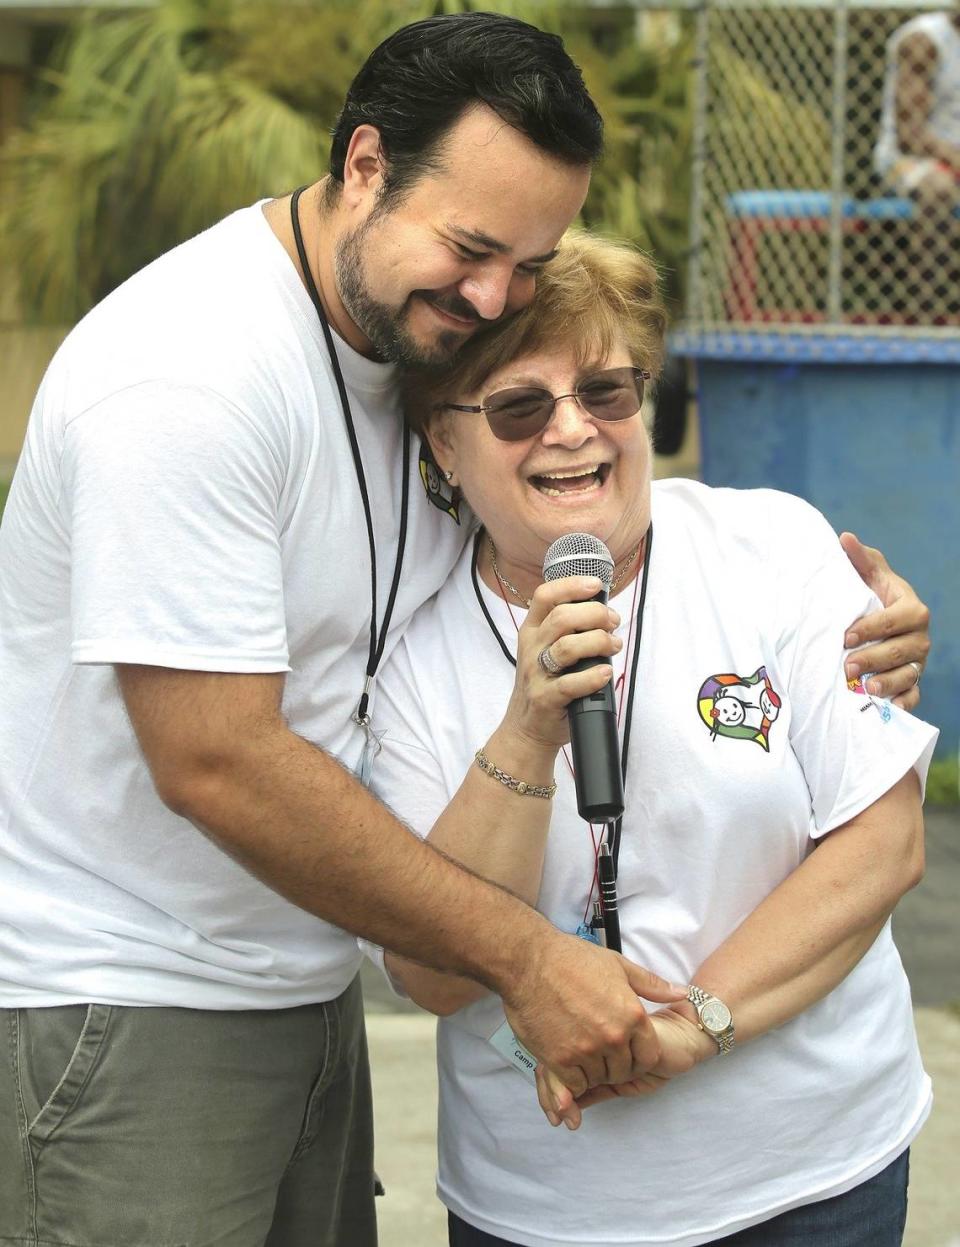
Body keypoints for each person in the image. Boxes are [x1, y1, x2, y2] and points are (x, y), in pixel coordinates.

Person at [0, 11, 929, 1246]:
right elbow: (214, 755)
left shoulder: (402, 337)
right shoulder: (188, 379)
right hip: (140, 995)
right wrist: (533, 957)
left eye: (529, 262)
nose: (493, 295)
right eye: (473, 246)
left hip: (298, 982)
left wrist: (851, 620)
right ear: (368, 165)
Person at [371, 231, 939, 1247]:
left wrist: (695, 1024)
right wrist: (528, 727)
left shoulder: (774, 547)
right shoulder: (411, 650)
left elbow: (883, 842)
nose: (573, 430)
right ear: (443, 442)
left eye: (607, 391)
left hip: (815, 1180)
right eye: (518, 405)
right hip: (544, 1207)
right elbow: (433, 972)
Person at [874, 6, 960, 311]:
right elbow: (909, 136)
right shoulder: (925, 41)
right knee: (939, 189)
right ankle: (928, 308)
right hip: (912, 160)